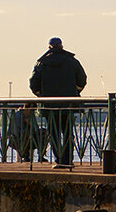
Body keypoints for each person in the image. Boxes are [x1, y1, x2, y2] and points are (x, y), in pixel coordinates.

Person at [29, 37, 87, 168]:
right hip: (69, 104)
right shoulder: (72, 62)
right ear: (62, 46)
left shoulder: (41, 63)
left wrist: (41, 95)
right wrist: (75, 92)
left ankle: (59, 159)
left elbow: (33, 84)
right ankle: (68, 160)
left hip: (49, 105)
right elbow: (82, 80)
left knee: (54, 133)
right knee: (68, 132)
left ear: (49, 47)